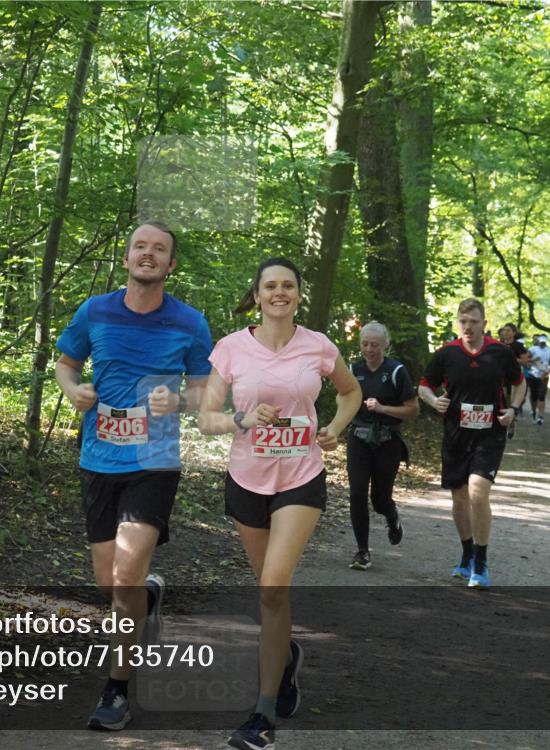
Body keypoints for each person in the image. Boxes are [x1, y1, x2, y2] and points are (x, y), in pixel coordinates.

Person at [54, 221, 213, 730]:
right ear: (126, 259)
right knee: (111, 580)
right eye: (140, 247)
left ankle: (116, 691)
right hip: (99, 458)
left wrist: (179, 400)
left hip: (154, 462)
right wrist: (72, 389)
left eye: (159, 249)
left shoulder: (190, 322)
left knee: (124, 577)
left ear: (171, 264)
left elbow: (208, 395)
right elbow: (66, 362)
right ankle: (149, 593)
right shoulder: (94, 310)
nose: (148, 254)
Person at [198, 258, 361, 750]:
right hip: (247, 478)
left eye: (288, 285)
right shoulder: (230, 348)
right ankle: (285, 657)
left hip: (301, 475)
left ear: (298, 294)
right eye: (271, 285)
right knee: (270, 595)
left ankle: (262, 715)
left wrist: (335, 427)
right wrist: (241, 419)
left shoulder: (318, 346)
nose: (279, 292)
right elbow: (207, 418)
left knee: (273, 587)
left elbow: (350, 392)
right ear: (258, 293)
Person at [418, 298, 526, 589]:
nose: (468, 327)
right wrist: (433, 401)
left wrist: (513, 409)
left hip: (490, 432)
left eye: (474, 322)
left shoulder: (500, 352)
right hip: (456, 433)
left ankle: (481, 560)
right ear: (458, 323)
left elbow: (519, 382)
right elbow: (424, 385)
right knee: (459, 497)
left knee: (478, 492)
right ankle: (466, 553)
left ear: (484, 324)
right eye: (463, 322)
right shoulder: (447, 354)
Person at [344, 321, 418, 571]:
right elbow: (342, 399)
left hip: (388, 440)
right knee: (356, 492)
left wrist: (383, 408)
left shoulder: (396, 371)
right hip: (359, 437)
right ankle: (362, 551)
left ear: (385, 345)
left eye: (374, 345)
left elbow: (413, 409)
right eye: (365, 344)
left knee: (379, 498)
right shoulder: (353, 369)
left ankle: (392, 516)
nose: (369, 349)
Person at [525, 334, 550, 425]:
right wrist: (533, 359)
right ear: (538, 341)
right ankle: (533, 411)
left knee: (542, 395)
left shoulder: (549, 351)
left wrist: (548, 371)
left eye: (544, 342)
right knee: (534, 396)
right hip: (533, 375)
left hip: (544, 376)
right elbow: (525, 360)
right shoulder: (532, 349)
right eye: (541, 342)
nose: (542, 344)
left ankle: (541, 416)